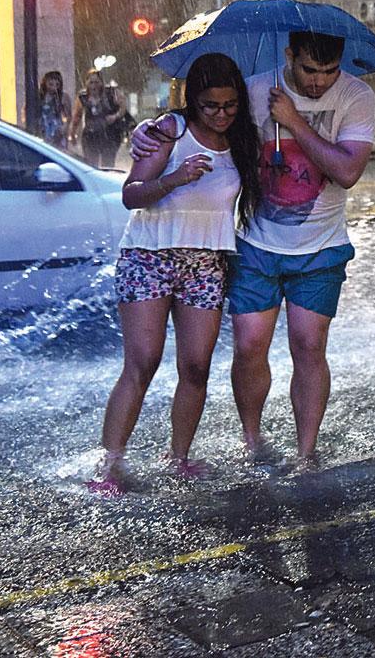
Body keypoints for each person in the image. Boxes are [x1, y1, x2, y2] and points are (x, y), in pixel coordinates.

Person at [131, 32, 375, 468]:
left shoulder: (356, 96)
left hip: (321, 246)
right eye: (308, 70)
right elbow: (203, 121)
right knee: (248, 346)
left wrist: (296, 121)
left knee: (308, 345)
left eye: (329, 71)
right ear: (289, 56)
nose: (319, 82)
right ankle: (252, 438)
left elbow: (348, 171)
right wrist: (150, 130)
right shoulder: (255, 89)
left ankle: (305, 452)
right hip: (256, 242)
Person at [90, 53, 260, 495]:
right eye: (210, 106)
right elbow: (131, 195)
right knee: (142, 363)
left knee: (196, 367)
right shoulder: (171, 130)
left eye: (229, 105)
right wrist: (176, 177)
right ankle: (109, 467)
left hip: (206, 263)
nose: (221, 115)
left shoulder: (243, 139)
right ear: (192, 101)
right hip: (149, 256)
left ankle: (178, 457)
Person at [71, 68, 128, 169]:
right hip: (90, 135)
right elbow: (77, 116)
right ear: (87, 83)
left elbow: (123, 107)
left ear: (101, 83)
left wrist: (115, 116)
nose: (94, 86)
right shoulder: (83, 97)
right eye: (91, 82)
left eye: (97, 82)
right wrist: (72, 133)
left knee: (108, 165)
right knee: (91, 166)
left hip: (109, 134)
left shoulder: (111, 93)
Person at [38, 71, 72, 150]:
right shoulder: (39, 97)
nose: (54, 88)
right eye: (51, 84)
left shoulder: (63, 97)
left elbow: (69, 116)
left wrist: (64, 128)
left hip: (57, 128)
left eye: (57, 85)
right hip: (43, 127)